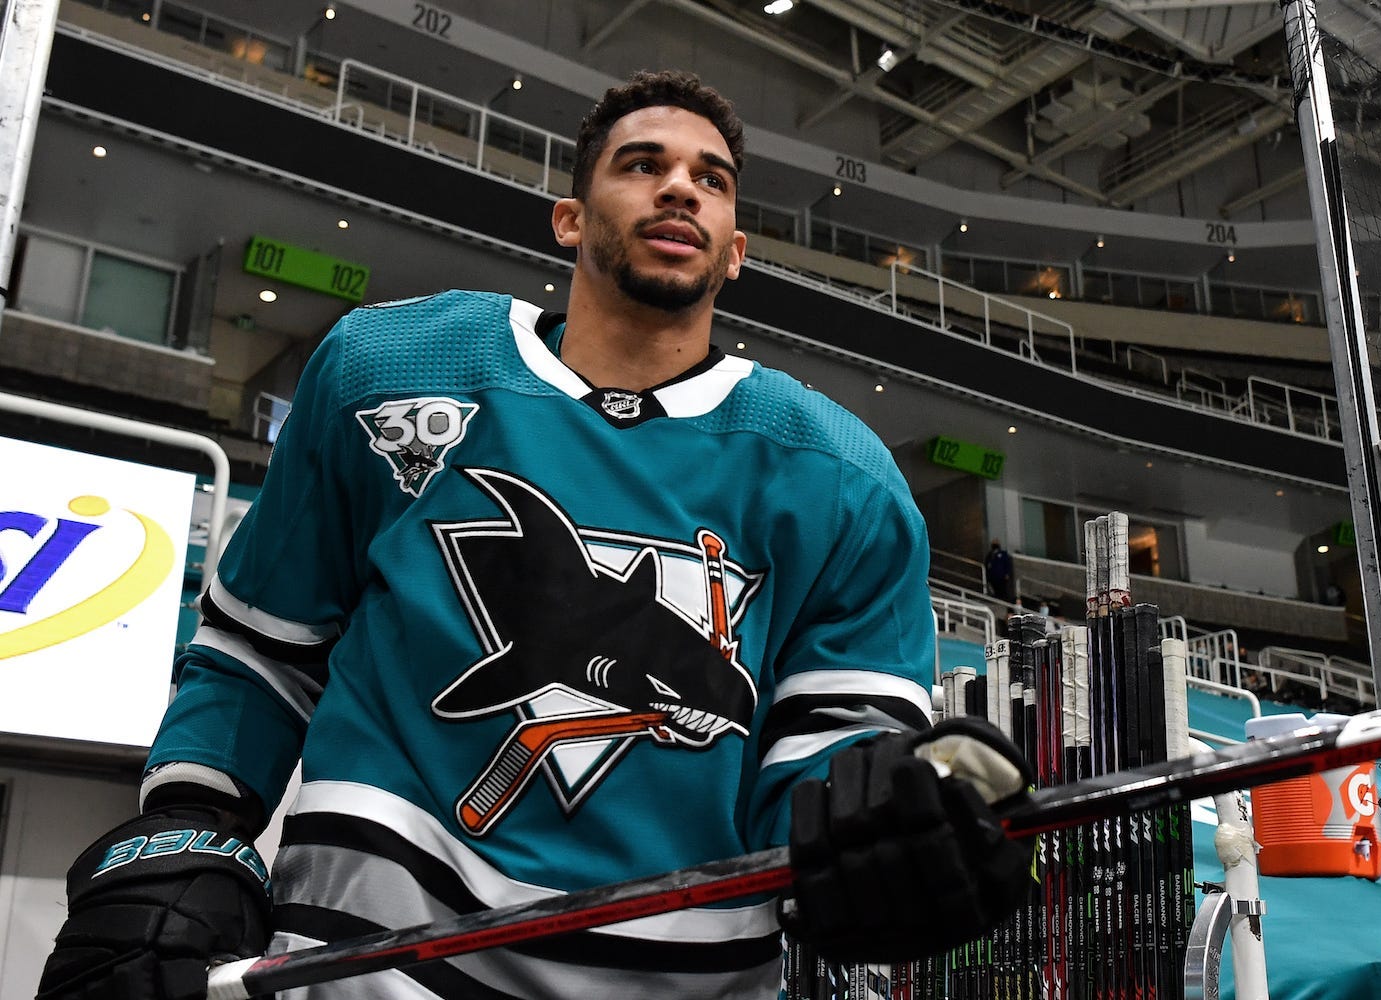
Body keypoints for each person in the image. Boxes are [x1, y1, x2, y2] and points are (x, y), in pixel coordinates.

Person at [37, 71, 1028, 1000]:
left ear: (735, 249)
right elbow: (261, 650)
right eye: (642, 165)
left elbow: (823, 768)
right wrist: (185, 828)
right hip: (367, 964)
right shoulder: (386, 367)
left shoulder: (843, 478)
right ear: (569, 218)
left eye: (711, 180)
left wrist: (883, 837)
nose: (679, 188)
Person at [984, 539, 1015, 604]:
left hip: (1001, 576)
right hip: (993, 576)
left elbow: (1007, 564)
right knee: (995, 589)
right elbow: (987, 564)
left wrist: (1007, 573)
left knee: (1003, 589)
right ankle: (997, 599)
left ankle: (1004, 600)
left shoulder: (1003, 554)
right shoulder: (990, 555)